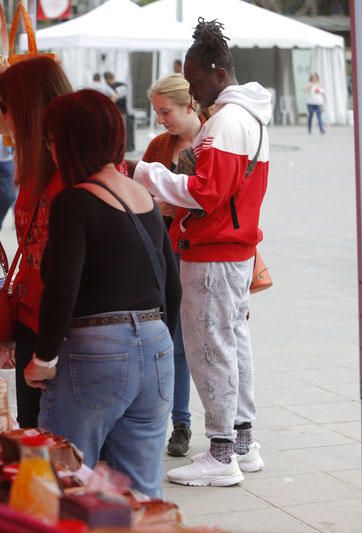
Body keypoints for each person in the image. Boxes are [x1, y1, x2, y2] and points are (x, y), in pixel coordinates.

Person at [133, 18, 271, 487]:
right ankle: (242, 443)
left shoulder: (227, 121)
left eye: (193, 81)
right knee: (231, 345)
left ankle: (221, 453)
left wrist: (148, 174)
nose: (193, 92)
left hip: (214, 252)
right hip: (230, 249)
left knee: (211, 348)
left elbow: (207, 192)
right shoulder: (246, 117)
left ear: (216, 71)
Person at [25, 89, 181, 498]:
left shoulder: (74, 202)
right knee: (144, 488)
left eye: (52, 141)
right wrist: (157, 340)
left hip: (97, 349)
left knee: (64, 478)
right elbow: (172, 284)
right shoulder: (144, 196)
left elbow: (63, 287)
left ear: (71, 142)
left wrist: (43, 357)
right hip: (156, 344)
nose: (51, 151)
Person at [0, 57, 73, 428]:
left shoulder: (76, 176)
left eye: (4, 107)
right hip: (32, 324)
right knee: (31, 436)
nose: (2, 117)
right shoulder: (32, 166)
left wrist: (47, 351)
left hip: (65, 338)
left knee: (63, 446)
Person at [141, 73, 203, 458]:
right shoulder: (160, 145)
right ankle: (169, 420)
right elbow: (138, 192)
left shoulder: (213, 141)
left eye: (166, 112)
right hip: (161, 251)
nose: (161, 119)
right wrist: (155, 204)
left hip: (198, 253)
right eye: (157, 112)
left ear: (189, 105)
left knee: (189, 344)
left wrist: (175, 204)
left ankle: (184, 422)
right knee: (165, 339)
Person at [104, 71, 134, 152]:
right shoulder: (123, 85)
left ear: (107, 79)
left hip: (116, 111)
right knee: (123, 129)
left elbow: (114, 98)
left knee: (117, 130)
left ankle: (119, 147)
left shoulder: (110, 87)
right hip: (124, 110)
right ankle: (124, 147)